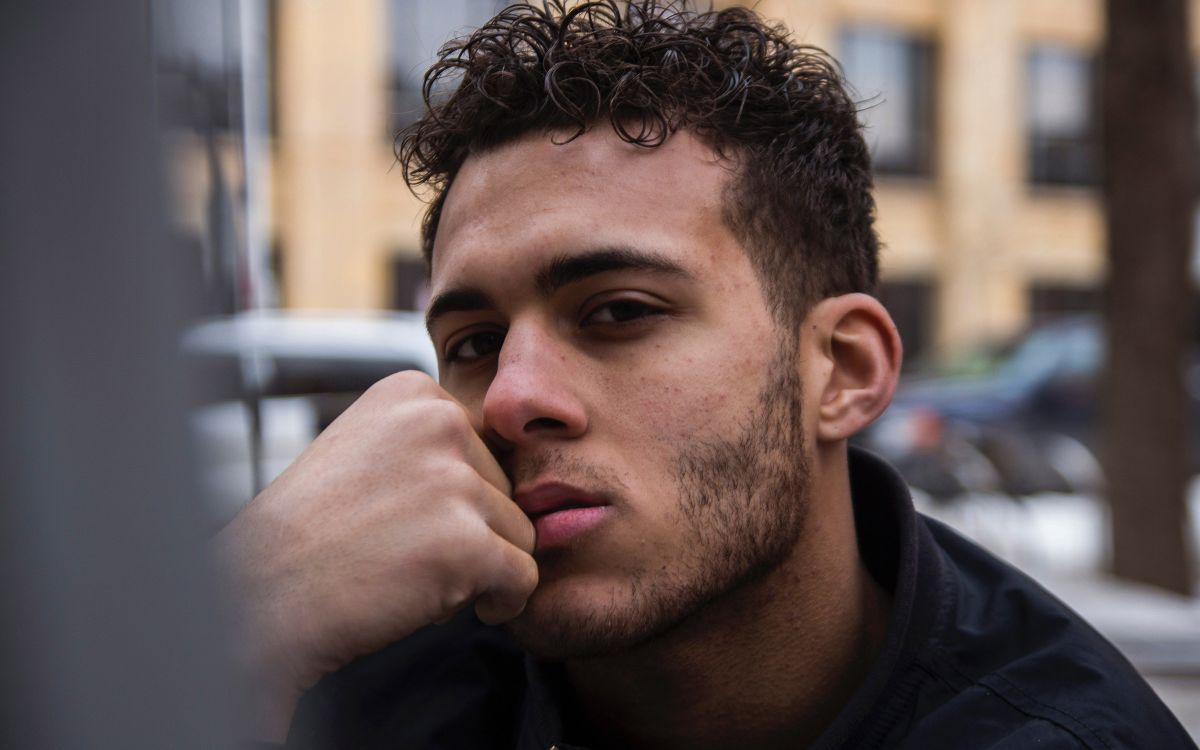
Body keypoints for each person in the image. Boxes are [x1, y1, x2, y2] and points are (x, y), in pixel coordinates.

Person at [216, 2, 1197, 748]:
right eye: (472, 343)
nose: (511, 398)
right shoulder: (347, 687)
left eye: (619, 312)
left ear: (842, 370)